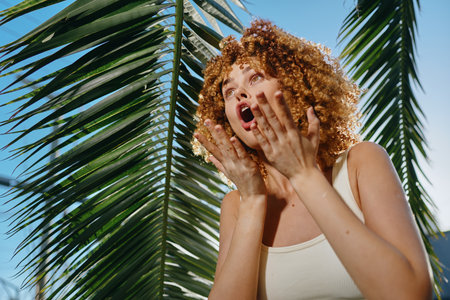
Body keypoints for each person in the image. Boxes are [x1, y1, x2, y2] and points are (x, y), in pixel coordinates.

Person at [192, 19, 432, 300]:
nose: (240, 95)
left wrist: (304, 175)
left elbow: (410, 293)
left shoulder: (361, 163)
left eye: (255, 77)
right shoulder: (236, 205)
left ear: (295, 86)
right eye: (229, 92)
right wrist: (253, 201)